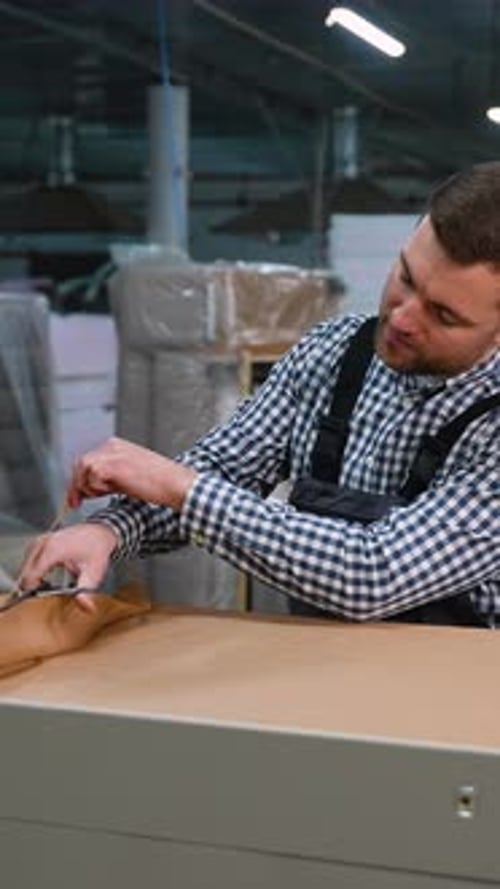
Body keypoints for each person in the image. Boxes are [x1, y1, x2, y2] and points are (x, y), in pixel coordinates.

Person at [20, 162, 500, 626]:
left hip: (456, 691)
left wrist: (178, 485)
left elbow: (373, 573)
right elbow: (228, 468)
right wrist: (109, 529)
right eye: (406, 279)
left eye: (443, 315)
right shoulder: (334, 353)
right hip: (326, 674)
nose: (401, 318)